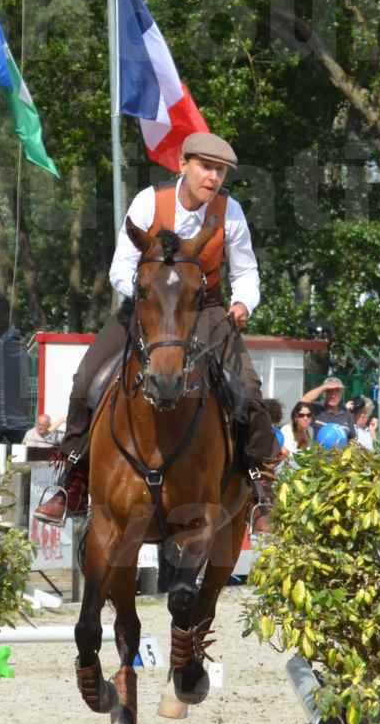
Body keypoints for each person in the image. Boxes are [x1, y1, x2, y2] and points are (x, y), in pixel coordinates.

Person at [36, 131, 275, 532]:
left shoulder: (230, 212)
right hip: (146, 306)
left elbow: (246, 271)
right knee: (84, 382)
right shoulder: (149, 201)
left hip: (206, 309)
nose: (214, 178)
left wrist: (242, 304)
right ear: (183, 163)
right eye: (206, 167)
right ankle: (72, 481)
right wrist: (152, 297)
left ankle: (259, 487)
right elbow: (119, 268)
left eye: (220, 172)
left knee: (246, 389)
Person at [301, 376, 355, 442]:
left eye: (337, 391)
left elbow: (352, 440)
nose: (333, 395)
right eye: (329, 391)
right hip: (318, 451)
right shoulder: (316, 409)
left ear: (341, 393)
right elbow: (303, 401)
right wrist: (324, 387)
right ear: (324, 393)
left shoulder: (347, 414)